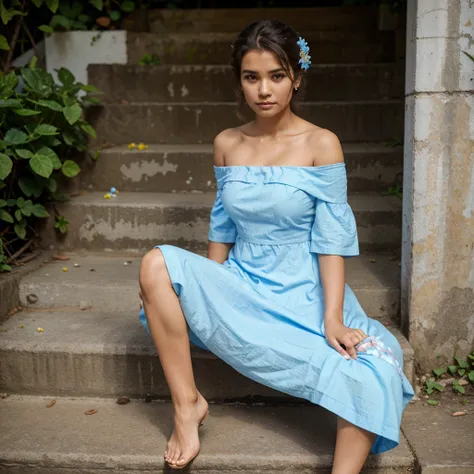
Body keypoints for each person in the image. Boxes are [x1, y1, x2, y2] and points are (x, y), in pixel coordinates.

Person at [138, 19, 414, 473]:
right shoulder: (227, 143)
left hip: (303, 288)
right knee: (155, 265)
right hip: (244, 280)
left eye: (276, 76)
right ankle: (187, 407)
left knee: (370, 370)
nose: (263, 90)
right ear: (240, 82)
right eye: (251, 77)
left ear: (297, 78)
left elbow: (331, 238)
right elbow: (223, 220)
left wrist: (331, 318)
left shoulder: (321, 143)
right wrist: (209, 289)